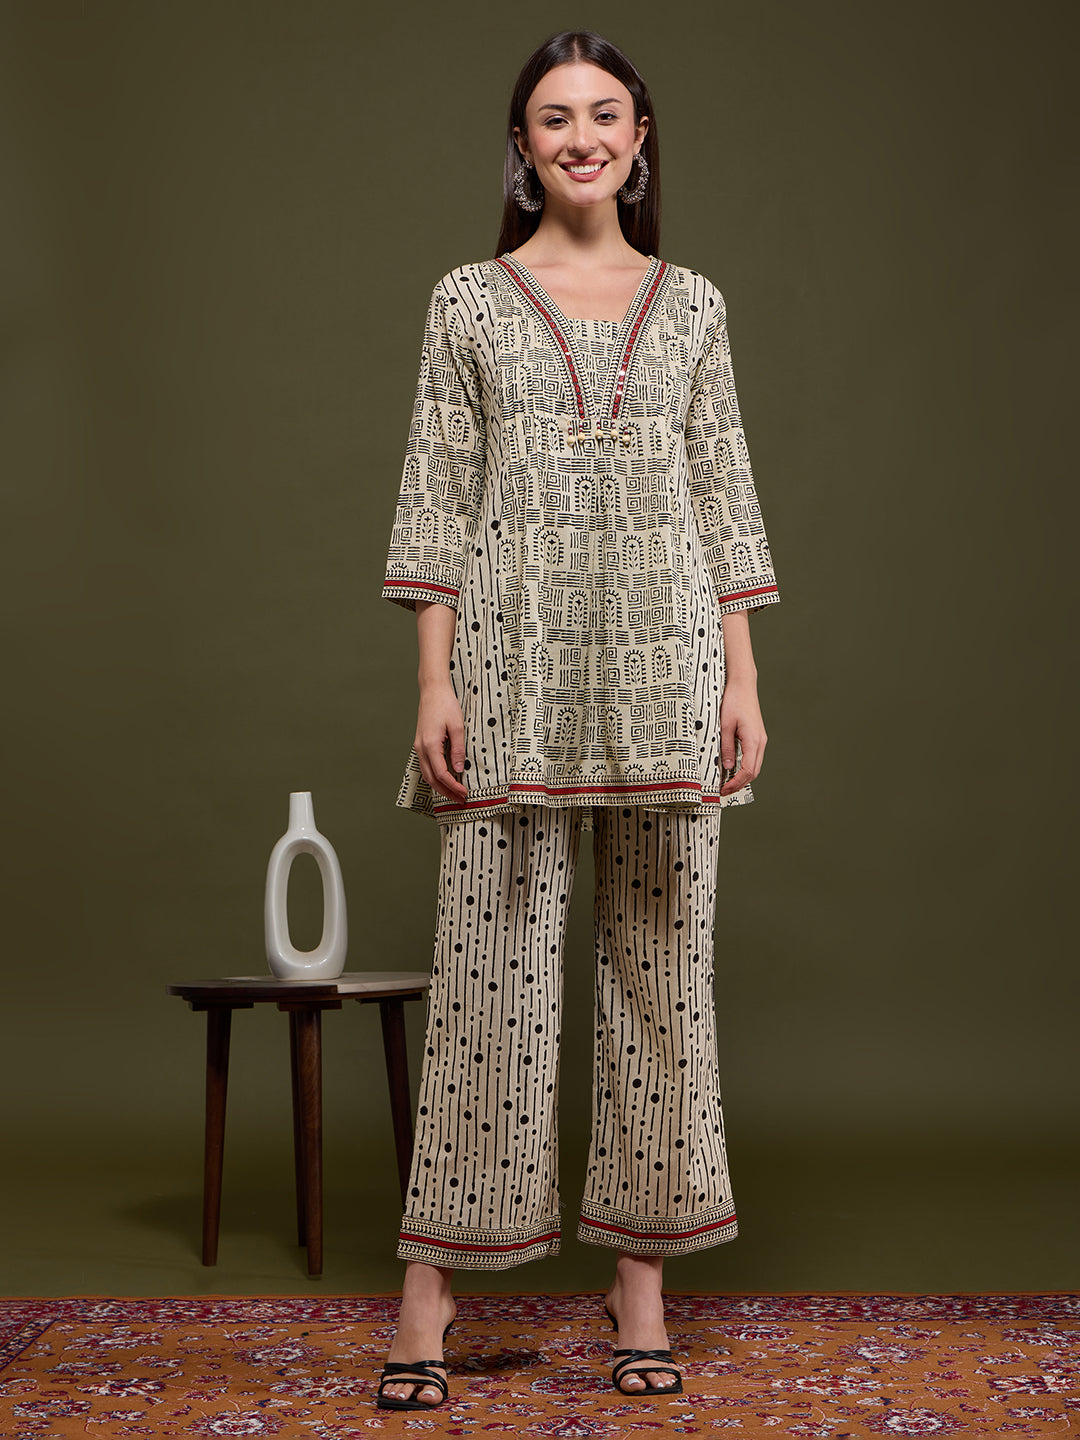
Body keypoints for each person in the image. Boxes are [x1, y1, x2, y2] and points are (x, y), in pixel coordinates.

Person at [375, 28, 780, 1410]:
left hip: (668, 670)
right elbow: (436, 496)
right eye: (555, 119)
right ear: (523, 145)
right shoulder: (468, 303)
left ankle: (640, 1285)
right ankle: (430, 1293)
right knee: (488, 981)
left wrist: (741, 680)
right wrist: (433, 683)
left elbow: (723, 494)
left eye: (606, 115)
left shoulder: (694, 305)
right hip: (511, 670)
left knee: (663, 980)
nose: (582, 138)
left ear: (641, 137)